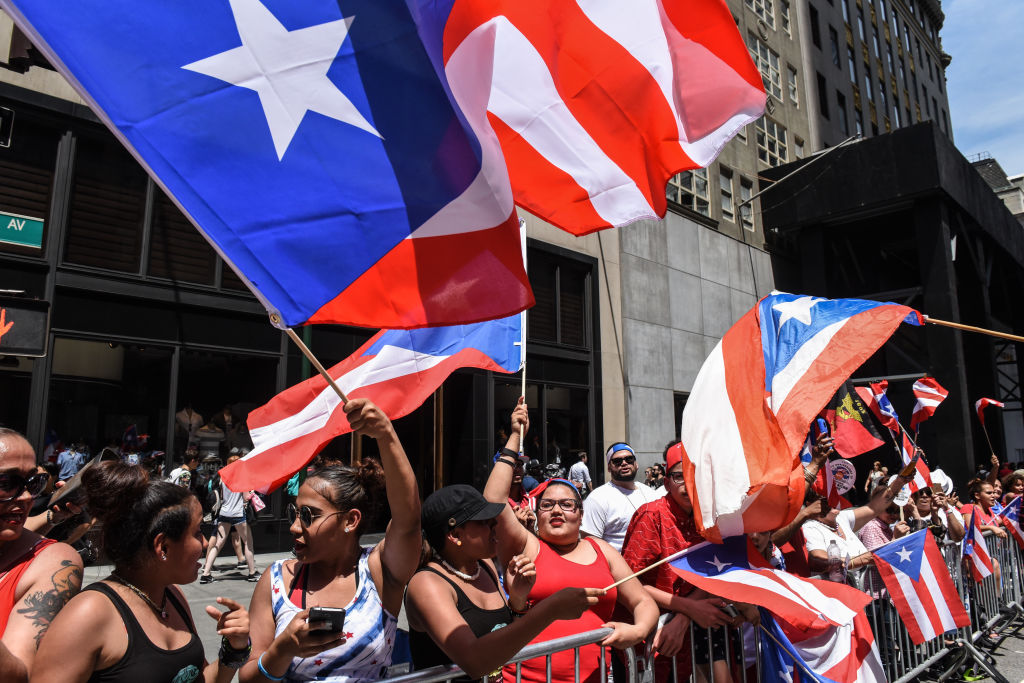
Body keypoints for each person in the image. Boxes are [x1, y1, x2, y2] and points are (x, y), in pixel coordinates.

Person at [241, 399, 421, 683]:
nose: (294, 527)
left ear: (350, 521)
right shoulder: (276, 579)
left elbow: (408, 522)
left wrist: (386, 435)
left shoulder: (380, 572)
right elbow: (249, 678)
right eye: (294, 513)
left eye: (309, 515)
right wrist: (284, 648)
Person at [483, 398, 659, 683]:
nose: (555, 510)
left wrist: (638, 631)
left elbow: (642, 601)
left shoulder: (600, 549)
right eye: (547, 505)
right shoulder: (526, 544)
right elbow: (493, 501)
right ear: (537, 514)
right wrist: (516, 436)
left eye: (566, 505)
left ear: (581, 514)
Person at [31, 460, 250, 682]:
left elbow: (201, 678)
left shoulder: (172, 597)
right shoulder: (88, 614)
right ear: (162, 546)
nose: (205, 544)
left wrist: (234, 648)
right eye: (197, 532)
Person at [405, 484, 602, 680]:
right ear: (455, 535)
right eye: (484, 521)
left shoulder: (485, 566)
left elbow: (506, 635)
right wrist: (552, 610)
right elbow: (474, 661)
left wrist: (517, 599)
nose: (494, 525)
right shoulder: (427, 584)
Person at [621, 442, 757, 683]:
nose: (689, 484)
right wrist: (689, 610)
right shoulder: (652, 516)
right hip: (656, 638)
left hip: (698, 632)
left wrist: (685, 615)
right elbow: (630, 584)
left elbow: (719, 572)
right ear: (666, 483)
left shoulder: (714, 517)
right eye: (679, 477)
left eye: (696, 475)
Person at [0, 429, 84, 683]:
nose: (26, 497)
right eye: (6, 484)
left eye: (33, 484)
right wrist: (52, 517)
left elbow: (19, 674)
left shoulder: (55, 561)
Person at [801, 465, 913, 585]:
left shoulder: (842, 518)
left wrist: (900, 481)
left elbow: (874, 507)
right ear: (810, 503)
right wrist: (862, 560)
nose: (831, 501)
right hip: (838, 595)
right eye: (825, 498)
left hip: (860, 592)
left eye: (833, 495)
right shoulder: (810, 528)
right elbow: (819, 560)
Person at [580, 442, 659, 552]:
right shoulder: (597, 498)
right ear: (609, 467)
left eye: (629, 459)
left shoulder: (650, 493)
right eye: (617, 461)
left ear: (636, 464)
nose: (624, 463)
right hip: (619, 567)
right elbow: (589, 544)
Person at [199, 453, 258, 583]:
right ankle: (252, 573)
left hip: (224, 513)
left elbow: (221, 496)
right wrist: (252, 492)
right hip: (238, 515)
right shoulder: (242, 478)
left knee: (218, 543)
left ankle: (206, 574)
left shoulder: (223, 477)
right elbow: (245, 497)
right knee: (248, 543)